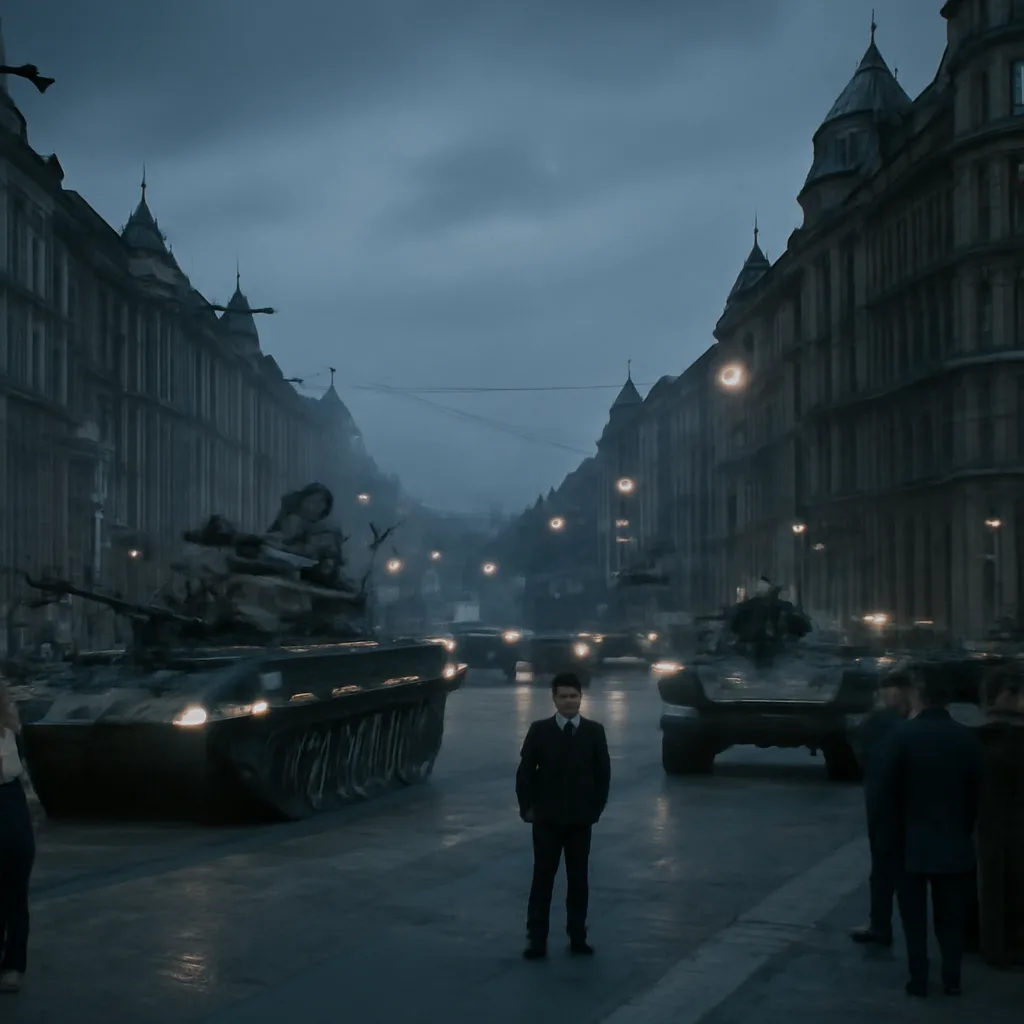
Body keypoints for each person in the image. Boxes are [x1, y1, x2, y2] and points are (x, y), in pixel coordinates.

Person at [880, 667, 982, 998]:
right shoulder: (966, 738)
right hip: (953, 841)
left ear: (919, 697)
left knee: (913, 920)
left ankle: (918, 977)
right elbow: (975, 795)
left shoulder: (901, 737)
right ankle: (952, 978)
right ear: (948, 700)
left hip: (909, 842)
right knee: (951, 918)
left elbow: (887, 794)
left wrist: (890, 838)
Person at [516, 673, 611, 960]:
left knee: (578, 879)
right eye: (563, 696)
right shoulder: (540, 730)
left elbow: (602, 774)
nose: (569, 701)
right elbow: (525, 772)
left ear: (581, 697)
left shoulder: (594, 732)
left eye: (573, 696)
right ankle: (536, 938)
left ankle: (578, 935)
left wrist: (595, 809)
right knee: (542, 878)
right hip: (546, 819)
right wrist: (527, 808)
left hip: (580, 820)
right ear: (554, 699)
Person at [850, 669, 915, 947]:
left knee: (884, 866)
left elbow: (862, 754)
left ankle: (880, 924)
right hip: (905, 803)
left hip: (883, 803)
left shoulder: (878, 721)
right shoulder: (903, 721)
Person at [0, 681, 35, 994]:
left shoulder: (12, 734)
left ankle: (13, 965)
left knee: (14, 894)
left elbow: (23, 774)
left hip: (11, 806)